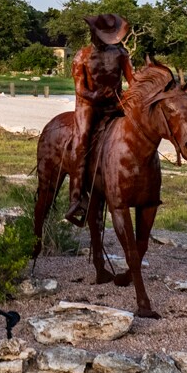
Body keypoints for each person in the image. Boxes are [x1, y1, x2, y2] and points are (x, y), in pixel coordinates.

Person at [66, 13, 135, 225]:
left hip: (114, 103)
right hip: (89, 105)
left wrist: (132, 96)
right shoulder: (82, 56)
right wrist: (96, 95)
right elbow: (80, 88)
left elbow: (132, 79)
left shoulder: (121, 54)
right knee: (82, 139)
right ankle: (77, 196)